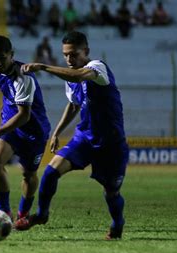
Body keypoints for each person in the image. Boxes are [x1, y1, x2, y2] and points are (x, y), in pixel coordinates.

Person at [15, 31, 129, 240]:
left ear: (86, 51)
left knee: (111, 191)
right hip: (84, 138)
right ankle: (41, 214)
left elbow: (79, 75)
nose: (69, 59)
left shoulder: (97, 67)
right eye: (66, 55)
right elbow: (74, 105)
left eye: (74, 54)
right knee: (51, 171)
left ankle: (117, 224)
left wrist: (43, 67)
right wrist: (58, 131)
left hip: (111, 143)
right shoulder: (70, 79)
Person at [0, 36, 51, 221]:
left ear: (11, 55)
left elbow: (24, 115)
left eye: (2, 58)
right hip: (11, 128)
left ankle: (23, 212)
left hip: (34, 132)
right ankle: (5, 214)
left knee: (28, 174)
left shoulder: (24, 78)